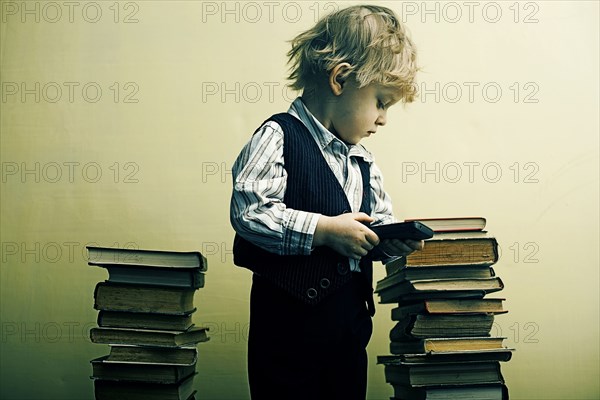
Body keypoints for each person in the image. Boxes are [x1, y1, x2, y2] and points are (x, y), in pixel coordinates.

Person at [229, 4, 423, 399]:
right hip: (287, 331)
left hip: (350, 329)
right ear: (340, 79)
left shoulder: (364, 162)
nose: (383, 119)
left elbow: (376, 223)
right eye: (382, 102)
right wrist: (323, 231)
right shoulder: (279, 136)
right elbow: (250, 211)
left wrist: (390, 241)